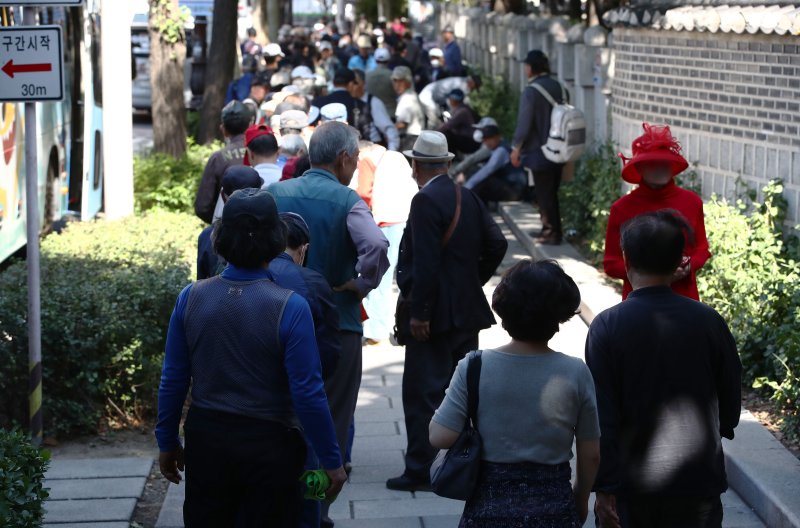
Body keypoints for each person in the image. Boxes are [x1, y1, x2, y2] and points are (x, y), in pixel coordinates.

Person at [156, 188, 348, 526]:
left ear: (219, 239)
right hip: (271, 446)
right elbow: (308, 392)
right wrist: (331, 459)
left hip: (207, 440)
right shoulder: (289, 305)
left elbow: (173, 378)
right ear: (277, 238)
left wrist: (167, 441)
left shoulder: (191, 298)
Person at [586, 210, 742, 528]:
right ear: (678, 262)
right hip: (698, 480)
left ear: (626, 258)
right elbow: (730, 395)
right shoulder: (708, 320)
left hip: (632, 486)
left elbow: (603, 416)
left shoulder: (607, 325)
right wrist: (721, 427)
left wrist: (604, 487)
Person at [267, 122, 390, 523]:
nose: (355, 168)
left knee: (278, 418)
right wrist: (360, 284)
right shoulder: (348, 200)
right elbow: (374, 245)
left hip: (271, 318)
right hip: (336, 323)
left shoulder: (274, 194)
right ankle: (314, 510)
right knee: (330, 427)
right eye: (355, 159)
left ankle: (279, 504)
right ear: (343, 158)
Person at [431, 259, 601, 525]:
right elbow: (591, 453)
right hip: (554, 507)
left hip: (487, 510)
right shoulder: (575, 371)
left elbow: (439, 436)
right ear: (559, 316)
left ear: (504, 311)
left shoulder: (474, 366)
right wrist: (580, 499)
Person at [387, 131, 508, 491]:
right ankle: (464, 462)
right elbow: (497, 244)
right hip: (467, 313)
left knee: (424, 392)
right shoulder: (466, 196)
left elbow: (424, 263)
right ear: (449, 163)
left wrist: (420, 313)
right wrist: (471, 281)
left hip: (434, 316)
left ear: (416, 166)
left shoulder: (425, 200)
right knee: (464, 391)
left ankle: (420, 469)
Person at [268, 212, 342, 528]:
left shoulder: (230, 279)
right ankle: (314, 518)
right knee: (309, 485)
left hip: (245, 420)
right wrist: (333, 461)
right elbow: (328, 356)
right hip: (299, 414)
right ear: (303, 248)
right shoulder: (312, 283)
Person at [604, 122, 711, 301]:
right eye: (652, 163)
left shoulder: (692, 202)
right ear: (639, 168)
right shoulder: (622, 208)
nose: (660, 167)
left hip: (684, 298)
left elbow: (702, 249)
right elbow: (611, 263)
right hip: (639, 304)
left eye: (664, 162)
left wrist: (688, 267)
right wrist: (655, 276)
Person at [355, 147, 418, 344]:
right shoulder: (396, 156)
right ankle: (403, 322)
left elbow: (364, 193)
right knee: (403, 274)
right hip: (406, 217)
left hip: (384, 221)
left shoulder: (365, 158)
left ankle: (376, 331)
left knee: (378, 276)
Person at [510, 50, 567, 245]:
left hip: (539, 151)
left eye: (527, 66)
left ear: (531, 68)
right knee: (552, 191)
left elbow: (524, 124)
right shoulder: (560, 87)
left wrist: (516, 147)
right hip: (560, 148)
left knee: (543, 193)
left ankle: (551, 233)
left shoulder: (532, 91)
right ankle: (550, 229)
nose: (525, 69)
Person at [196, 166, 263, 280]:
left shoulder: (208, 236)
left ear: (222, 195)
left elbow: (201, 280)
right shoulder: (270, 232)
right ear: (261, 193)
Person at [194, 101, 252, 223]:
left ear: (223, 129)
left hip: (225, 233)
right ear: (250, 125)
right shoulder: (263, 152)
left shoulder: (218, 158)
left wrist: (220, 224)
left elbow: (202, 207)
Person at [461, 122, 528, 206]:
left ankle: (472, 208)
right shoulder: (496, 148)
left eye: (489, 139)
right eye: (485, 140)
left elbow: (487, 171)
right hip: (509, 187)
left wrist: (466, 188)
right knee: (473, 171)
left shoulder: (501, 151)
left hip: (514, 191)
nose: (487, 142)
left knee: (484, 181)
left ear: (498, 137)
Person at [352, 68, 400, 151]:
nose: (351, 86)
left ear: (363, 84)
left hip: (372, 148)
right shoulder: (348, 101)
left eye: (355, 83)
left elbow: (388, 128)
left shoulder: (373, 102)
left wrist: (392, 151)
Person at [392, 66, 425, 151]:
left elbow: (403, 123)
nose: (397, 85)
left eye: (401, 81)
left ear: (408, 82)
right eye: (395, 81)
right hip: (415, 139)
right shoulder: (411, 95)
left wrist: (389, 129)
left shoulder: (407, 98)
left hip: (410, 140)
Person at [436, 88, 479, 154]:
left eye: (450, 98)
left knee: (446, 134)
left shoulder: (462, 111)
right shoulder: (461, 108)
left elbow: (448, 126)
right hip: (467, 139)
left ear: (454, 100)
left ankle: (451, 157)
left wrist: (433, 132)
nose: (449, 100)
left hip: (470, 142)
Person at [366, 47, 397, 116]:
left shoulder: (367, 75)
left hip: (373, 113)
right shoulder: (392, 75)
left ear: (375, 60)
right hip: (391, 112)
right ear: (388, 60)